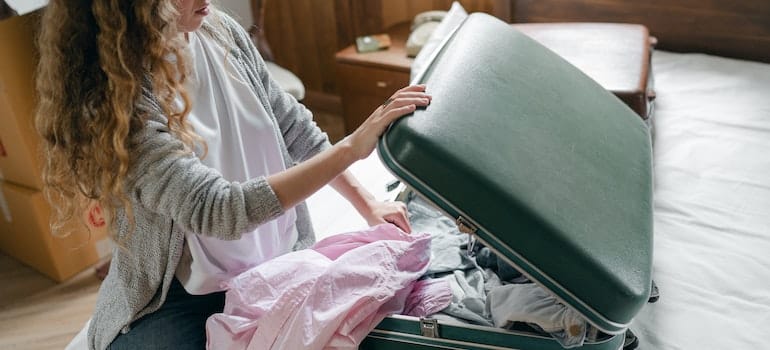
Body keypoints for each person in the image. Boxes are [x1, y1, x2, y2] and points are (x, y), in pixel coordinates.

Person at [35, 1, 431, 349]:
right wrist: (352, 147)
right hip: (183, 296)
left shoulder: (221, 32)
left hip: (273, 260)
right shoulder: (115, 101)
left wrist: (368, 203)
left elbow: (294, 127)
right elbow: (217, 208)